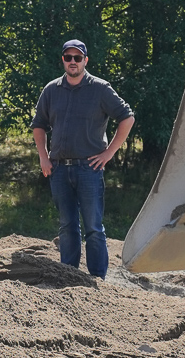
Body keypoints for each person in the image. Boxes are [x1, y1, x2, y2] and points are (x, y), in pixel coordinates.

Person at [31, 39, 135, 278]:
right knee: (67, 227)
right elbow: (39, 125)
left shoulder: (100, 89)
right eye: (68, 57)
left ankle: (97, 280)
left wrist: (109, 153)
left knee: (94, 228)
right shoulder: (51, 90)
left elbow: (127, 118)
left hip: (89, 168)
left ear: (85, 61)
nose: (73, 62)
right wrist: (43, 157)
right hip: (58, 169)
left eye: (77, 58)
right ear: (63, 60)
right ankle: (69, 275)